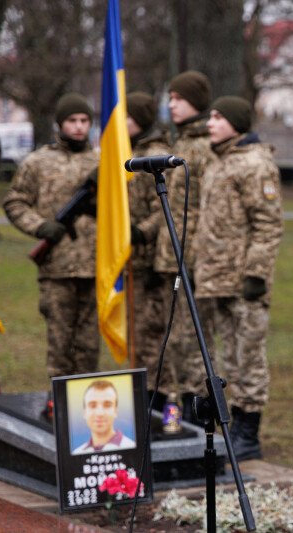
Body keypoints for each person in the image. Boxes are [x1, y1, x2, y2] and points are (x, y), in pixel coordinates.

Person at [194, 96, 283, 460]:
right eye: (210, 115)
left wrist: (256, 273)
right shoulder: (217, 160)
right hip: (217, 278)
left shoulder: (255, 163)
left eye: (218, 117)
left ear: (236, 123)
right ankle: (234, 424)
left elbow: (268, 224)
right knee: (229, 356)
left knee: (249, 358)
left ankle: (249, 432)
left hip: (245, 282)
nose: (210, 123)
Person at [3, 93, 100, 379]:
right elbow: (15, 202)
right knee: (60, 345)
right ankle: (58, 400)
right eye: (72, 120)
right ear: (60, 123)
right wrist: (40, 226)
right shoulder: (37, 162)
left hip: (95, 267)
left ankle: (86, 401)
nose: (79, 126)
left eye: (84, 120)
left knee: (89, 347)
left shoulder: (100, 162)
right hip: (56, 267)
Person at [152, 71, 216, 421]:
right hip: (171, 257)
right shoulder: (179, 144)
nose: (171, 104)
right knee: (176, 340)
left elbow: (209, 209)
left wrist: (195, 258)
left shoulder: (205, 148)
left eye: (179, 98)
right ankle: (184, 406)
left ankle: (199, 414)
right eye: (170, 98)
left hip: (193, 258)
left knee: (195, 342)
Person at [125, 91, 168, 404]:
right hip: (129, 260)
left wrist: (141, 232)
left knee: (151, 332)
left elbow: (164, 207)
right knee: (136, 334)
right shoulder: (123, 150)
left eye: (127, 117)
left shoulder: (155, 155)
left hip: (151, 258)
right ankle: (141, 390)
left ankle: (156, 396)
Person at [72, 379, 135, 454]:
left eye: (107, 405)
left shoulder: (133, 447)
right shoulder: (77, 453)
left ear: (116, 411)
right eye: (92, 405)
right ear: (84, 412)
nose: (100, 413)